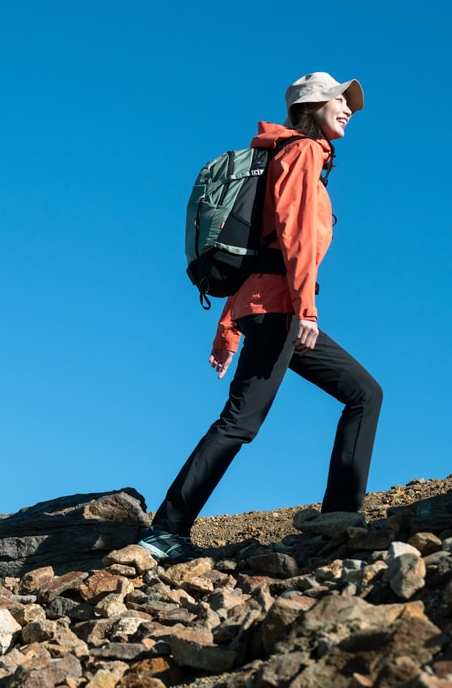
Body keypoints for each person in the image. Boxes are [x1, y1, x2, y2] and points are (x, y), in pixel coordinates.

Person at [138, 71, 384, 562]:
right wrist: (306, 309)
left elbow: (255, 255)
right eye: (340, 100)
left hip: (265, 308)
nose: (348, 109)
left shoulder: (277, 155)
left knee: (343, 398)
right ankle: (167, 530)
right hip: (284, 311)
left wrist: (227, 333)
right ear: (311, 106)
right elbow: (295, 237)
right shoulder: (303, 152)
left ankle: (169, 528)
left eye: (350, 103)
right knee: (262, 417)